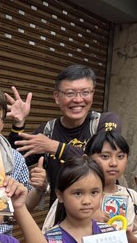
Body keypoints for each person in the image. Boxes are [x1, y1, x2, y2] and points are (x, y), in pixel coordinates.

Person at [7, 64, 121, 207]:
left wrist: (53, 147)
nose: (78, 99)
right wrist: (18, 124)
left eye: (85, 92)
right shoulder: (48, 130)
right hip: (61, 215)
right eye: (70, 93)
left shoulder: (106, 122)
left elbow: (102, 163)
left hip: (102, 212)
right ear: (57, 97)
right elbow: (14, 159)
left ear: (92, 94)